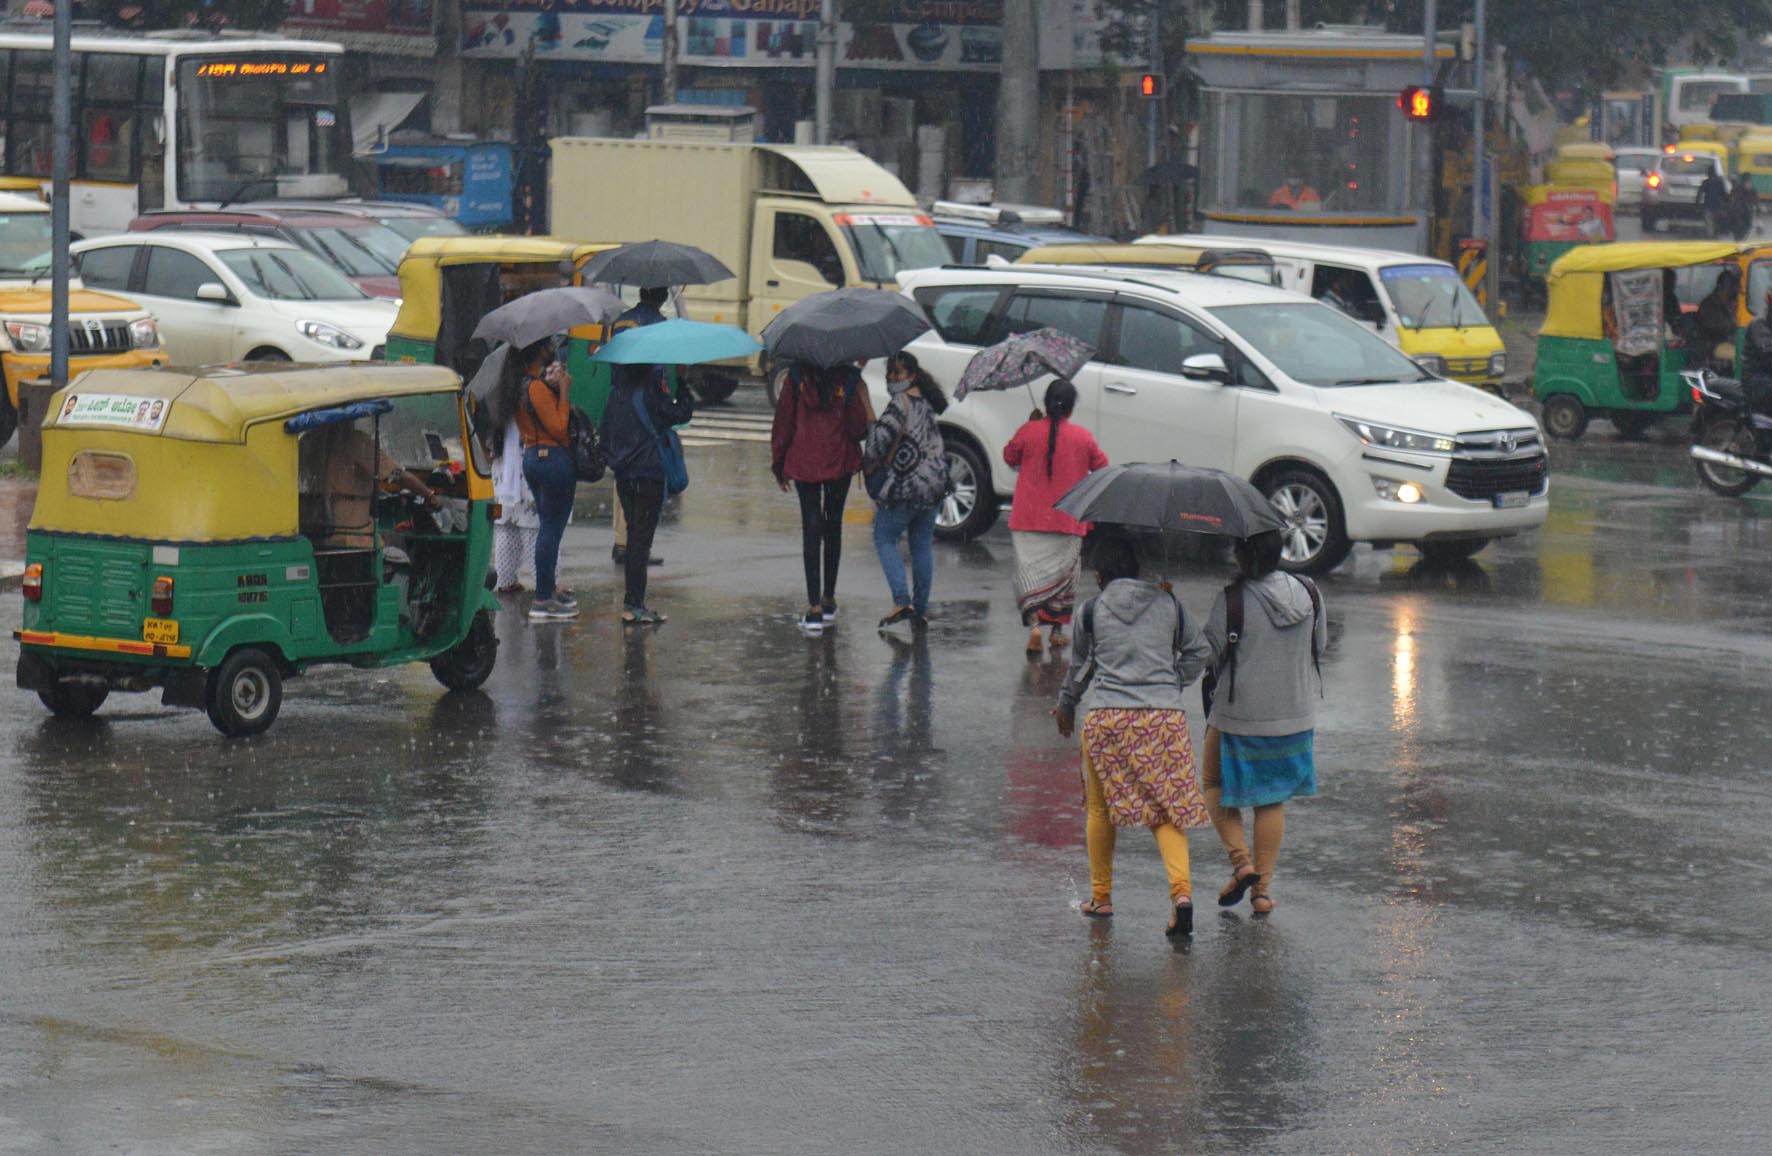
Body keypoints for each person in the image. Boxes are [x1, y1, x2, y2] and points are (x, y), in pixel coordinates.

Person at [1054, 532, 1213, 938]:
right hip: (1163, 718)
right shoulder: (1169, 603)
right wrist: (1170, 683)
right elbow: (1199, 651)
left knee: (1100, 808)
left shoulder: (1091, 612)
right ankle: (1181, 896)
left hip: (1108, 718)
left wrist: (1066, 706)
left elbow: (1080, 669)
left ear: (1099, 573)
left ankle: (1102, 898)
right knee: (1165, 812)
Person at [1199, 529, 1328, 918]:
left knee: (1212, 783)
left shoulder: (1232, 599)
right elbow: (1317, 647)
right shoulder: (1308, 591)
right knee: (1271, 800)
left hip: (1238, 716)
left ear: (1242, 554)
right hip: (1293, 715)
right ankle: (1262, 893)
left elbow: (1210, 656)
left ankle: (1242, 865)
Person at [1003, 379, 1108, 655]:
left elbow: (1010, 456)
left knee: (1031, 577)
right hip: (1068, 519)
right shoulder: (1083, 437)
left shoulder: (1029, 431)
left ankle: (1036, 626)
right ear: (1071, 408)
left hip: (1028, 520)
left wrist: (1030, 425)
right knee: (1065, 578)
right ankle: (1058, 632)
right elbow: (1102, 466)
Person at [771, 360, 870, 633]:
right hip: (840, 460)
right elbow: (858, 428)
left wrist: (779, 464)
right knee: (833, 525)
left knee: (811, 528)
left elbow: (784, 422)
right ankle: (829, 598)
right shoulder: (848, 377)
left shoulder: (796, 376)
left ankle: (813, 608)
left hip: (804, 460)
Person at [602, 361, 694, 625]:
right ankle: (633, 604)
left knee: (634, 537)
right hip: (648, 474)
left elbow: (605, 435)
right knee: (641, 541)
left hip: (625, 475)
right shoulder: (651, 393)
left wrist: (619, 460)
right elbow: (681, 414)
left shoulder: (615, 394)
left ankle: (633, 602)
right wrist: (683, 383)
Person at [865, 352, 950, 629]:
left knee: (884, 538)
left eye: (897, 373)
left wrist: (869, 422)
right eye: (890, 373)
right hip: (933, 486)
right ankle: (920, 608)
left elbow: (877, 444)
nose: (892, 379)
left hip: (906, 486)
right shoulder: (927, 403)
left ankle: (902, 601)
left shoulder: (898, 405)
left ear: (911, 375)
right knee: (921, 545)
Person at [514, 339, 580, 622]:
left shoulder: (519, 385)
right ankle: (542, 598)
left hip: (532, 456)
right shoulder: (535, 387)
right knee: (551, 530)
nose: (552, 347)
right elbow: (559, 429)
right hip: (551, 458)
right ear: (538, 351)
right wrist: (564, 393)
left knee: (547, 528)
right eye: (547, 344)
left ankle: (547, 591)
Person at [608, 286, 671, 568]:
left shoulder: (622, 320)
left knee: (623, 472)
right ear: (663, 297)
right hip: (645, 406)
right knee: (646, 482)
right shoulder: (659, 325)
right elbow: (659, 372)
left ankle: (622, 539)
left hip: (620, 402)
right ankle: (636, 547)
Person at [487, 369, 541, 594]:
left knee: (505, 527)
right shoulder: (532, 389)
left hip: (502, 470)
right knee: (533, 529)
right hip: (526, 466)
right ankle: (545, 584)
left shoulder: (496, 390)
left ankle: (505, 579)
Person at [1699, 168, 1730, 238]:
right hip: (1718, 206)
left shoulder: (1705, 182)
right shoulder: (1720, 182)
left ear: (1708, 174)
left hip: (1708, 206)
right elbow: (1724, 194)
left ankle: (1710, 236)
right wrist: (1727, 204)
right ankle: (1717, 234)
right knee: (1717, 221)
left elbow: (1700, 193)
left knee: (1709, 223)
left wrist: (1697, 204)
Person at [1730, 173, 1759, 241]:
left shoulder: (1736, 188)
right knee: (1744, 231)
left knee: (1738, 233)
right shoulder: (1751, 189)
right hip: (1745, 214)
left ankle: (1738, 242)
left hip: (1737, 214)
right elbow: (1756, 201)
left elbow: (1731, 198)